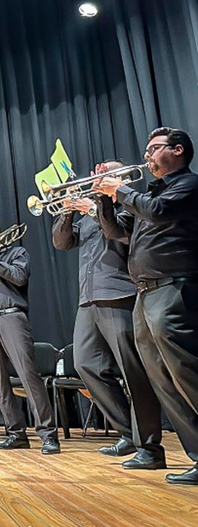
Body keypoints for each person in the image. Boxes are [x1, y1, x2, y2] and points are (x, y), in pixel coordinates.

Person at [95, 127, 198, 484]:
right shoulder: (149, 194)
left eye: (154, 149)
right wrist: (105, 201)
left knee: (187, 373)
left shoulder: (188, 185)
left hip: (174, 288)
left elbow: (156, 212)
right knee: (162, 380)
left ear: (178, 150)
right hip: (145, 293)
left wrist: (119, 189)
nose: (148, 156)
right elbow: (116, 233)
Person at [53, 161, 163, 464]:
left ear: (122, 178)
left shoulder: (132, 207)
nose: (97, 180)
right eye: (97, 176)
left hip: (118, 294)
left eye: (106, 175)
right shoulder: (90, 212)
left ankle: (150, 445)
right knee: (85, 363)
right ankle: (128, 432)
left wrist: (94, 207)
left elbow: (120, 234)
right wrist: (68, 210)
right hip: (88, 299)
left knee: (133, 372)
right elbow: (62, 243)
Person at [0, 216, 60, 454]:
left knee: (28, 375)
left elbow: (19, 277)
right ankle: (16, 433)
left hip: (11, 317)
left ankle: (48, 435)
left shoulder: (16, 253)